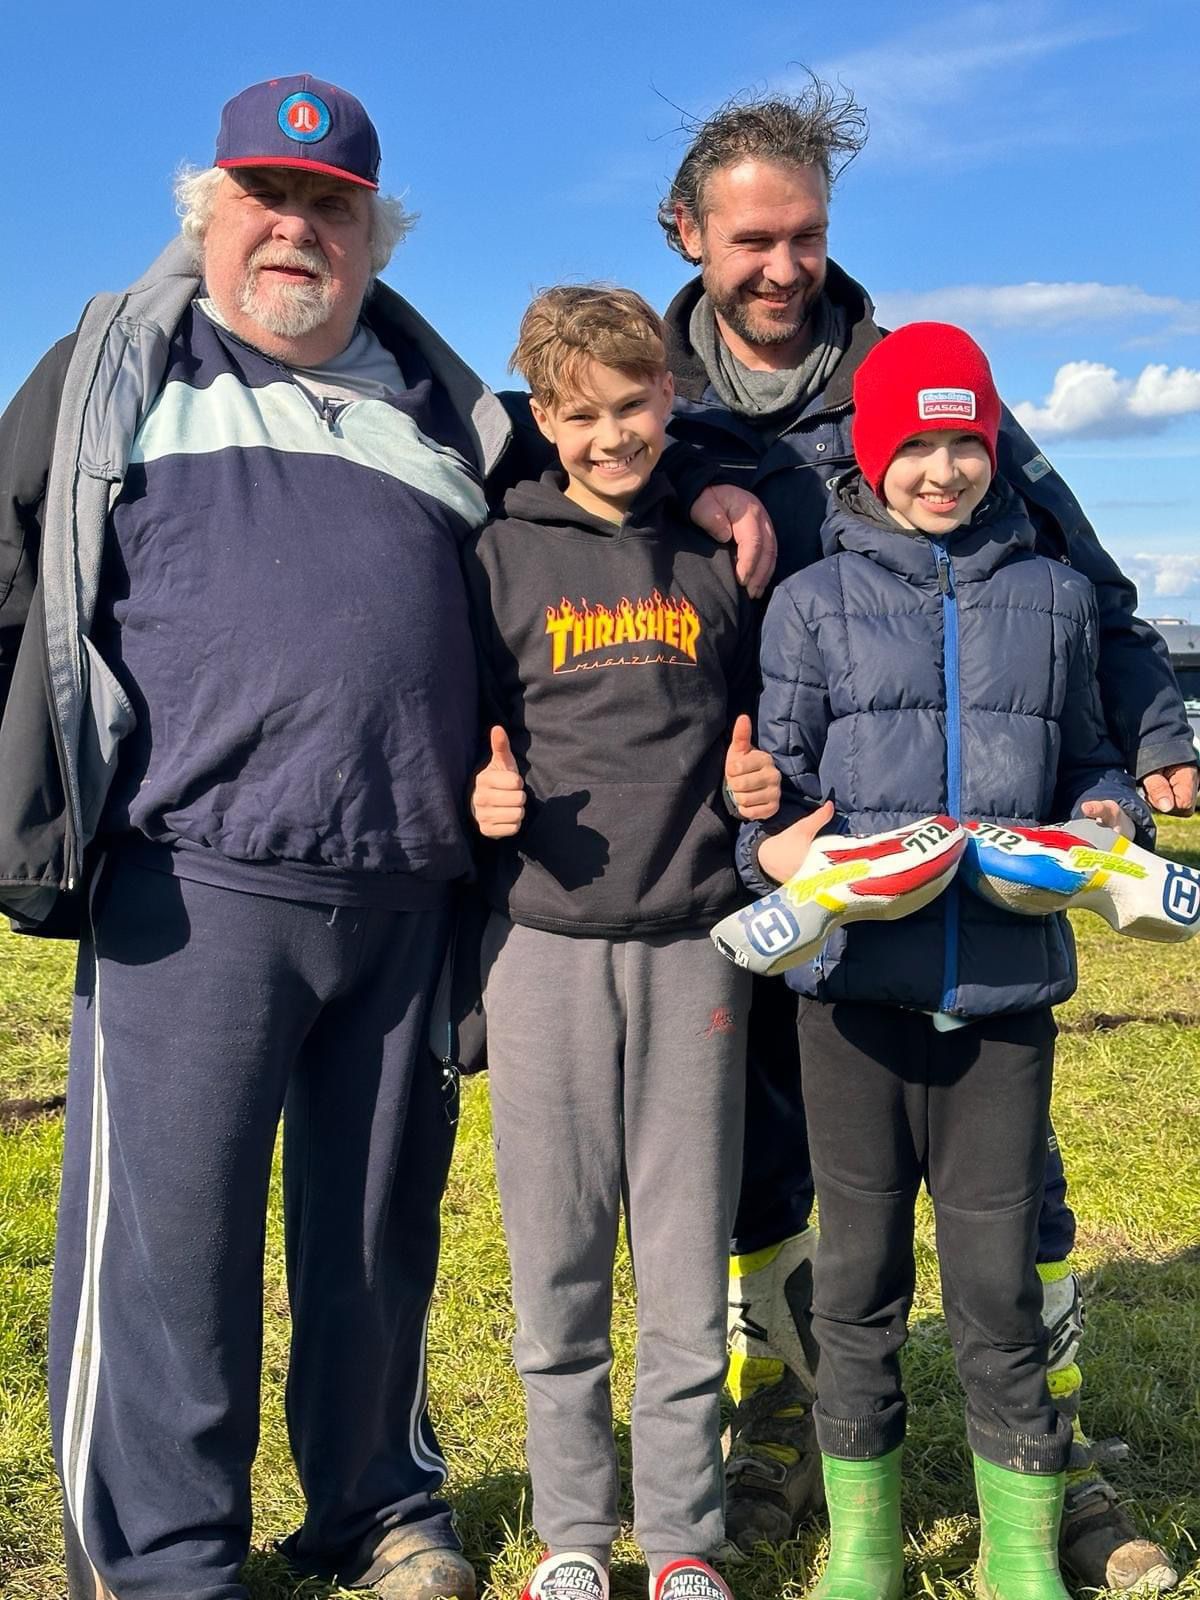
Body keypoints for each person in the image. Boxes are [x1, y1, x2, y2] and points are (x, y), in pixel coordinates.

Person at [0, 77, 772, 1600]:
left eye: (331, 206)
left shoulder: (445, 407)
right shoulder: (117, 366)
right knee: (171, 1250)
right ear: (208, 216)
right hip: (194, 878)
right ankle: (166, 1560)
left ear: (375, 236)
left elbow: (594, 473)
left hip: (407, 884)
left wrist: (716, 483)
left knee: (374, 1237)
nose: (297, 227)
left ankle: (375, 1507)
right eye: (265, 197)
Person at [657, 86, 1197, 1587]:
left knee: (1009, 1202)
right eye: (753, 240)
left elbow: (1090, 598)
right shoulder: (646, 393)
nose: (785, 265)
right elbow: (546, 507)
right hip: (751, 848)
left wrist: (1155, 744)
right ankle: (792, 1433)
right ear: (688, 234)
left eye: (808, 235)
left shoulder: (925, 382)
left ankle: (1057, 1467)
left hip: (970, 902)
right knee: (784, 1178)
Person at [736, 321, 1151, 1600]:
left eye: (963, 441)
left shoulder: (1057, 597)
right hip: (852, 1003)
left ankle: (1019, 1549)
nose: (942, 469)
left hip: (1007, 998)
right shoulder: (811, 602)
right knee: (857, 1279)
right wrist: (765, 839)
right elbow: (777, 794)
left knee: (995, 1280)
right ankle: (867, 1545)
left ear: (993, 448)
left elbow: (1090, 759)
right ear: (870, 453)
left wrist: (1108, 815)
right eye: (913, 443)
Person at [464, 285, 780, 1600]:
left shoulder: (716, 560)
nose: (613, 436)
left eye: (635, 406)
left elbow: (763, 727)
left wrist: (758, 795)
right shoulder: (496, 558)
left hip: (695, 945)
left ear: (671, 398)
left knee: (686, 1256)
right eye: (582, 414)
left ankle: (684, 1536)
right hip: (540, 947)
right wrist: (477, 800)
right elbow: (457, 731)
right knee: (558, 1258)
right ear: (545, 417)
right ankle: (575, 1537)